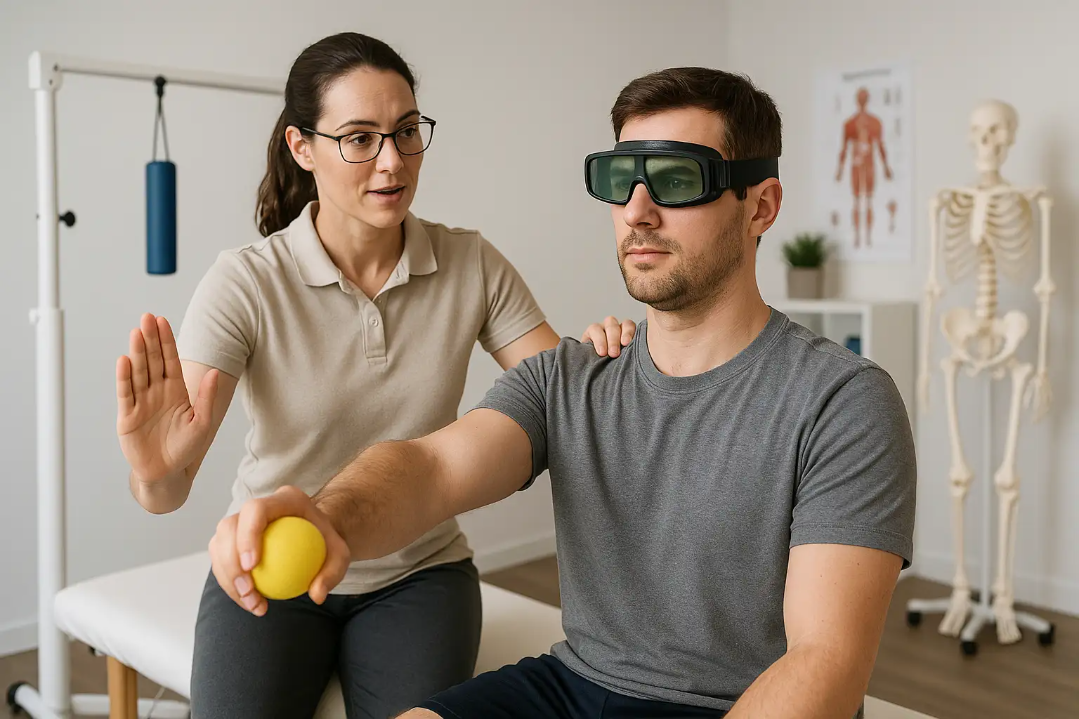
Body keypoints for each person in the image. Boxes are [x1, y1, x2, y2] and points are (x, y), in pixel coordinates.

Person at [212, 67, 917, 719]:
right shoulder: (571, 377)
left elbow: (825, 662)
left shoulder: (842, 401)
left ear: (759, 205)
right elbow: (428, 470)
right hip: (572, 683)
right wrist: (329, 514)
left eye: (676, 179)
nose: (637, 211)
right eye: (620, 178)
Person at [114, 32, 635, 719]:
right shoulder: (245, 280)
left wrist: (600, 359)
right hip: (270, 561)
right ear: (303, 147)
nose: (392, 161)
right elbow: (165, 490)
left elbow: (562, 401)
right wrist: (156, 470)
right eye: (359, 138)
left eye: (405, 132)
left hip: (418, 572)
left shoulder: (470, 263)